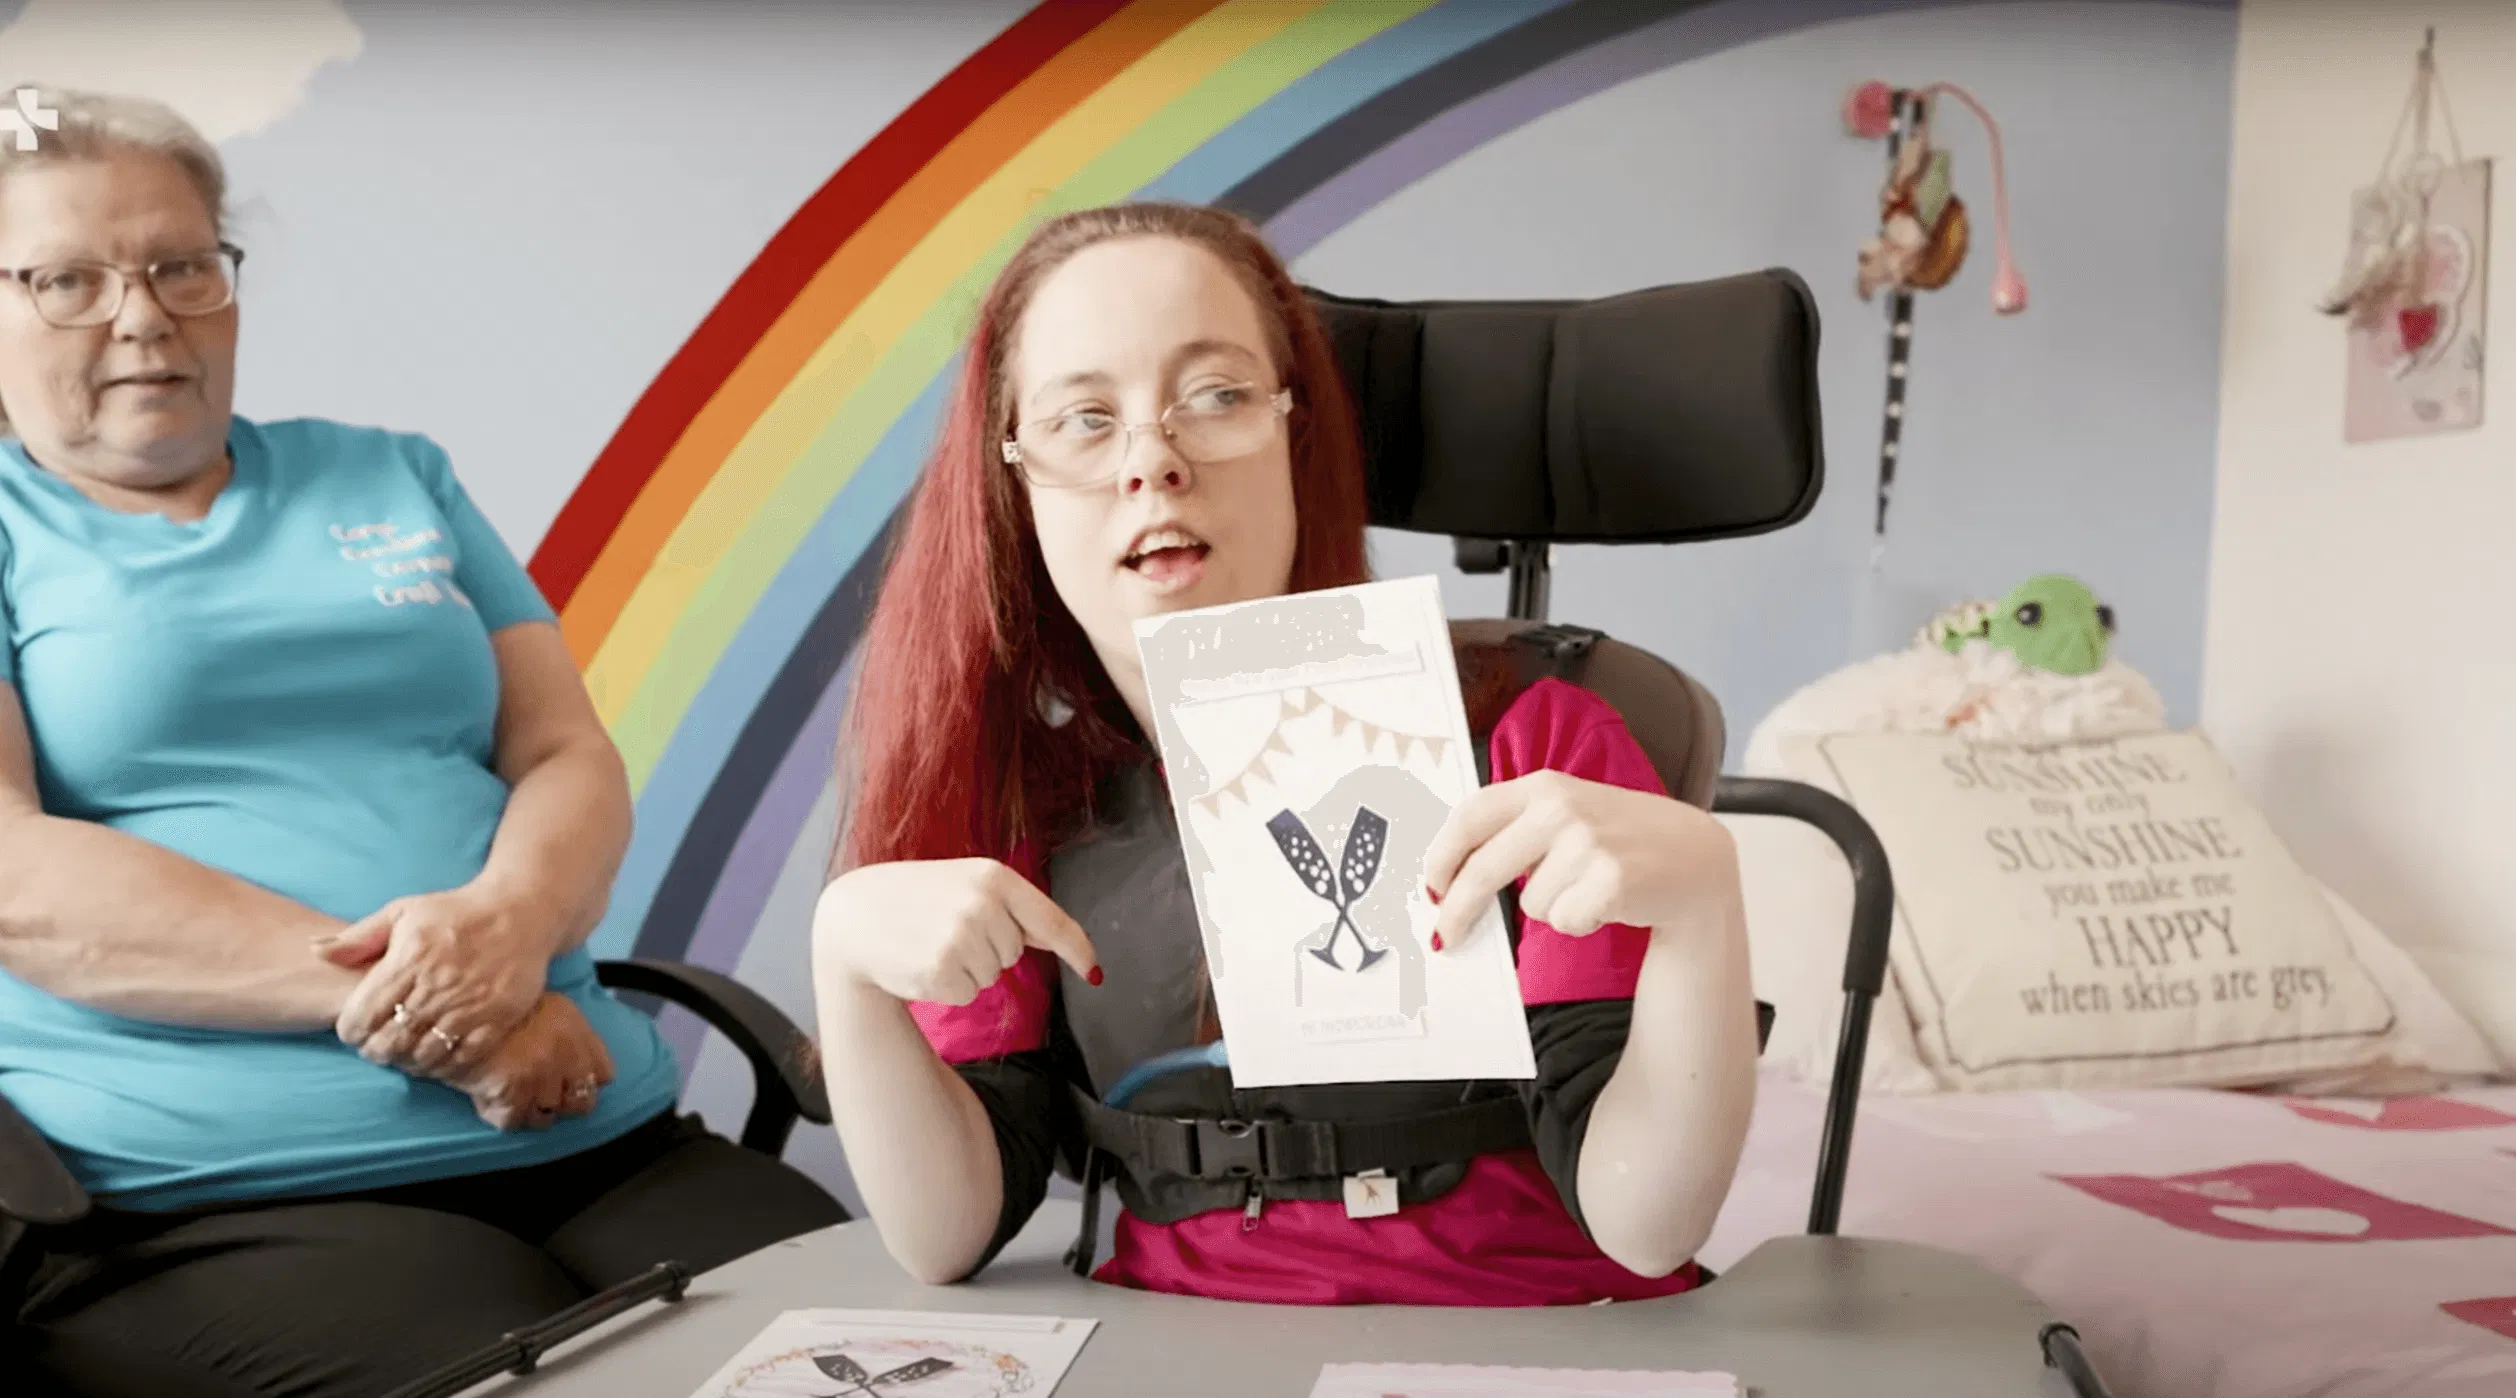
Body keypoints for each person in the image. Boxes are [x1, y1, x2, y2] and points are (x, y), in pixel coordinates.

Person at [0, 89, 847, 1397]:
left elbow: (563, 752)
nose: (143, 314)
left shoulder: (393, 474)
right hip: (214, 1202)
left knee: (911, 1352)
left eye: (182, 265)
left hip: (597, 1126)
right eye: (68, 280)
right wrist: (451, 1015)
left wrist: (509, 924)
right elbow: (16, 876)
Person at [811, 200, 1760, 1307]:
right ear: (1011, 484)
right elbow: (945, 1235)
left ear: (1295, 434)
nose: (1152, 463)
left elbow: (1648, 1227)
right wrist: (843, 961)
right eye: (1085, 419)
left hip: (1541, 1341)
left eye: (1215, 396)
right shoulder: (1022, 810)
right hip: (1174, 1348)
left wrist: (1703, 907)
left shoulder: (1538, 745)